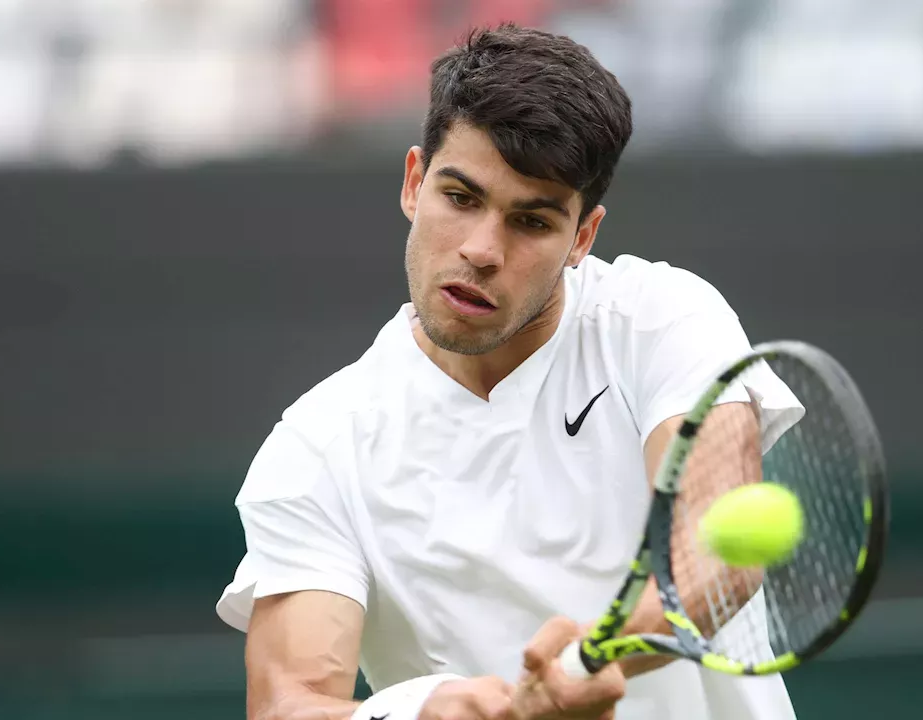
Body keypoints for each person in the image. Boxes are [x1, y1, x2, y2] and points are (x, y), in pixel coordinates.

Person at [216, 23, 803, 720]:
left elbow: (716, 555)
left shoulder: (663, 320)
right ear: (413, 182)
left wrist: (599, 654)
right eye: (460, 197)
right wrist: (417, 714)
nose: (481, 250)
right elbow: (290, 705)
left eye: (531, 222)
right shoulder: (317, 446)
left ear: (582, 237)